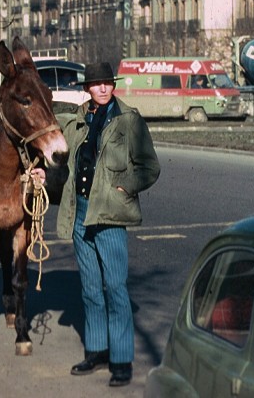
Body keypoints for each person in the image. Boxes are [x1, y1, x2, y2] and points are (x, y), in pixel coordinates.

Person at [55, 61, 161, 388]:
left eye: (107, 83)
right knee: (90, 288)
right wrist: (44, 174)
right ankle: (97, 350)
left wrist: (125, 186)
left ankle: (121, 361)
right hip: (81, 214)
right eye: (96, 84)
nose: (102, 89)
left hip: (111, 214)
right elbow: (62, 162)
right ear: (86, 88)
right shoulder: (76, 121)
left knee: (115, 289)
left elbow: (150, 167)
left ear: (113, 85)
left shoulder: (129, 121)